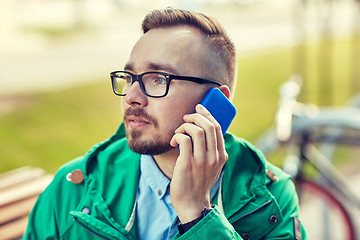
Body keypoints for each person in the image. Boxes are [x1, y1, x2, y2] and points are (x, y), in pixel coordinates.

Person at [23, 8, 307, 240]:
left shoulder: (271, 198)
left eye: (158, 79)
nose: (132, 97)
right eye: (130, 77)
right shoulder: (72, 186)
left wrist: (196, 213)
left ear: (215, 101)